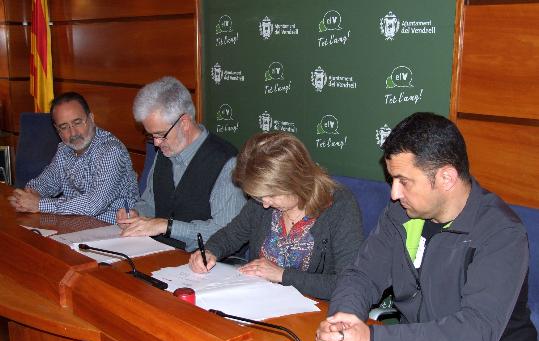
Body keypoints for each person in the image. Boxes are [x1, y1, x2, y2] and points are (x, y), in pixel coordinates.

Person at [315, 112, 537, 341]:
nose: (394, 194)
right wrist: (344, 317)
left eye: (403, 181)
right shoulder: (401, 214)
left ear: (446, 177)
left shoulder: (501, 232)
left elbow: (477, 331)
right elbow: (362, 275)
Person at [190, 132, 364, 300]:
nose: (264, 204)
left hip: (313, 312)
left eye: (271, 196)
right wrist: (210, 251)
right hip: (257, 300)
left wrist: (282, 275)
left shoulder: (340, 206)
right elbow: (231, 235)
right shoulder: (263, 202)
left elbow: (349, 283)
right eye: (259, 197)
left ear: (296, 182)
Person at [116, 76, 245, 251]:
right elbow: (150, 202)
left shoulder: (227, 162)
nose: (156, 143)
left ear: (184, 123)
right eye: (151, 136)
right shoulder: (164, 152)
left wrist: (166, 226)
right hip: (161, 254)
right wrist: (136, 214)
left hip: (209, 265)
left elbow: (225, 233)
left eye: (161, 134)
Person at [8, 92, 138, 224]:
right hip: (74, 224)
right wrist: (26, 196)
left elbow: (94, 204)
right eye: (64, 127)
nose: (73, 133)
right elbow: (47, 181)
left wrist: (40, 204)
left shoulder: (110, 150)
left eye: (77, 123)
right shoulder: (64, 149)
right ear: (57, 130)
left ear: (91, 119)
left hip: (112, 228)